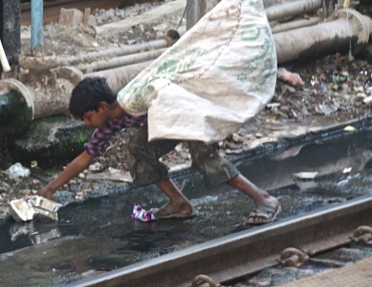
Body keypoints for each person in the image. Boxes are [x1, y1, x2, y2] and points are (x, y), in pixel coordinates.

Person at [37, 76, 281, 225]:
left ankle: (264, 198)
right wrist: (50, 188)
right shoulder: (111, 121)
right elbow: (86, 157)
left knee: (205, 159)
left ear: (101, 107)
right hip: (166, 126)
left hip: (188, 115)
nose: (86, 124)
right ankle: (179, 204)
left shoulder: (136, 98)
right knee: (137, 147)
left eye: (87, 117)